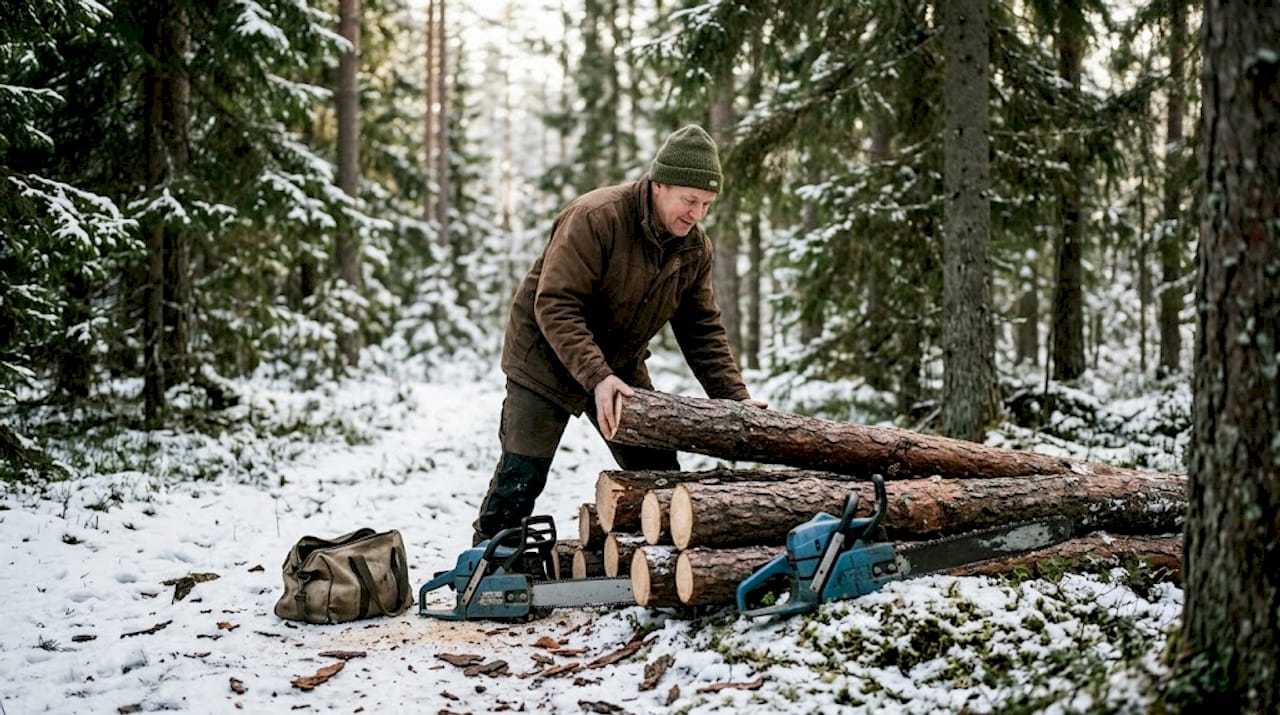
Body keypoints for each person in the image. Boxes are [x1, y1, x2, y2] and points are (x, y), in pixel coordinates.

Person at [473, 124, 766, 545]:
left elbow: (701, 330)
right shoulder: (596, 217)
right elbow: (554, 303)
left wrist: (735, 400)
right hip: (545, 356)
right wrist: (597, 377)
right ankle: (486, 568)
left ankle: (661, 565)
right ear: (658, 184)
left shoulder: (694, 248)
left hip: (617, 362)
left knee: (658, 473)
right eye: (689, 200)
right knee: (522, 473)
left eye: (705, 204)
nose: (697, 214)